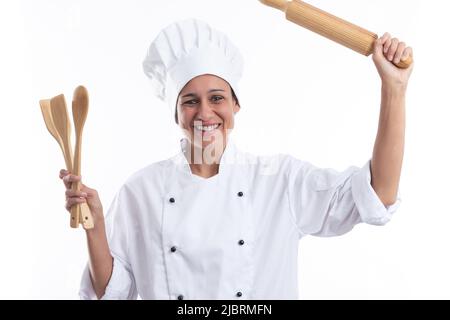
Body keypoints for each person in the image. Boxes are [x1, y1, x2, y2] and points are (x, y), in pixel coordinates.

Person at [60, 19, 413, 300]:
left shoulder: (279, 181)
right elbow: (112, 292)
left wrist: (393, 88)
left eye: (217, 98)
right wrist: (96, 228)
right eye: (190, 101)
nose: (205, 113)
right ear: (175, 113)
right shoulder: (141, 190)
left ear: (235, 105)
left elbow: (377, 193)